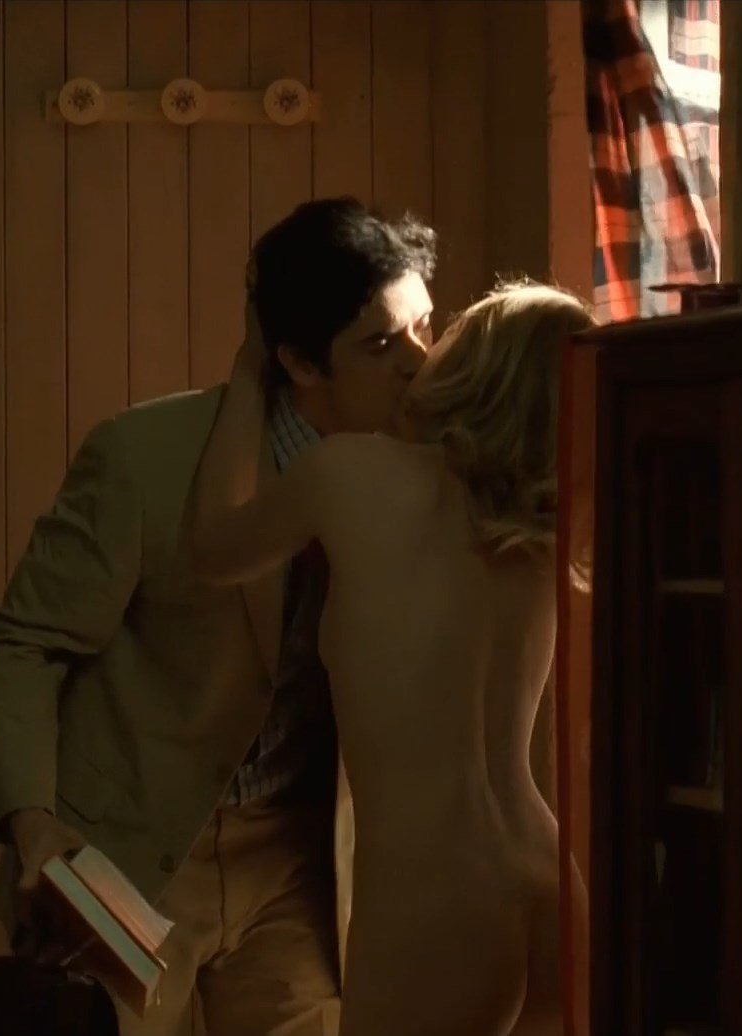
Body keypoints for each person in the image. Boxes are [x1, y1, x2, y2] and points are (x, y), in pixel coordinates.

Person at [0, 197, 438, 1036]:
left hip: (297, 864)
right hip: (136, 851)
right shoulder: (144, 458)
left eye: (423, 326)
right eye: (379, 345)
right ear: (298, 362)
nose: (418, 363)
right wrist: (33, 824)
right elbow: (26, 647)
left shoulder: (422, 477)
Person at [182, 281, 595, 1036]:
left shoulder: (350, 474)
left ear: (469, 366)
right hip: (549, 877)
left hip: (434, 900)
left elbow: (211, 549)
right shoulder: (536, 528)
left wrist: (248, 373)